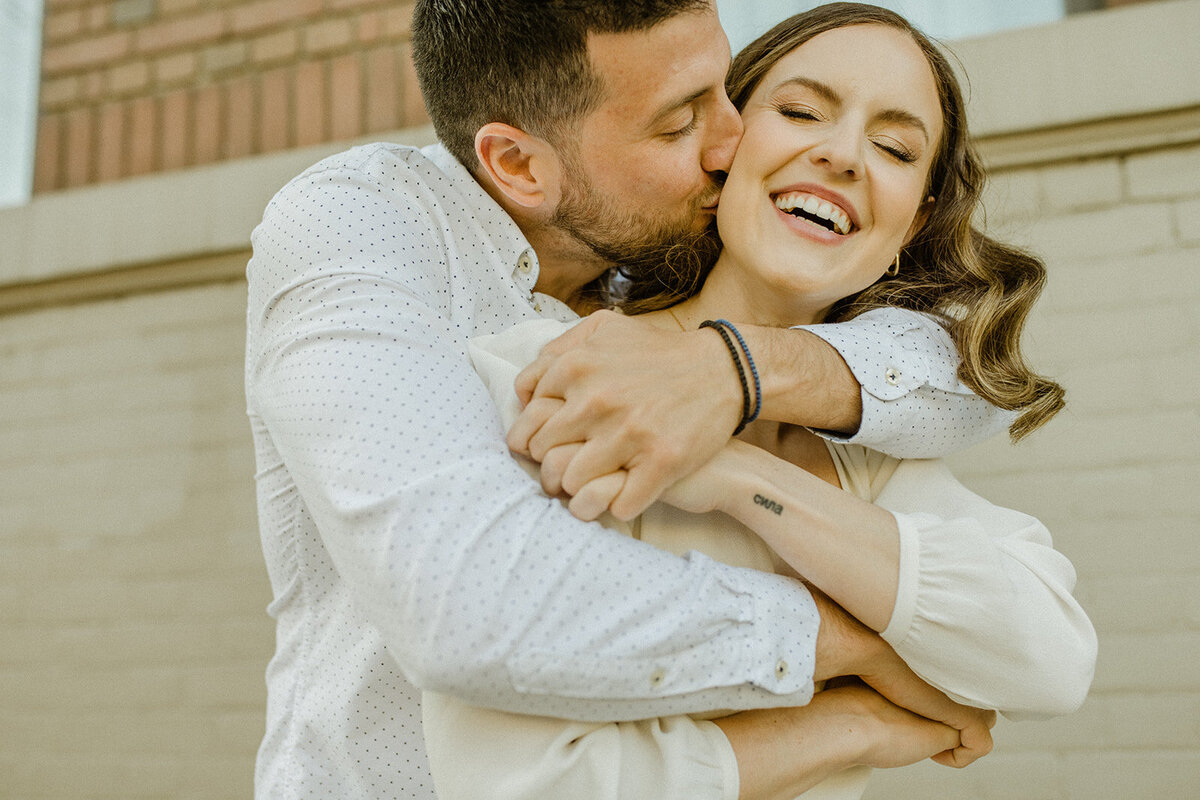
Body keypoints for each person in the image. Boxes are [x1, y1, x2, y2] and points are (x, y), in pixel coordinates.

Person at [243, 1, 1063, 797]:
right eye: (679, 124)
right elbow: (469, 610)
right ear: (521, 166)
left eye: (726, 93)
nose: (730, 142)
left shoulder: (655, 264)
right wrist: (853, 652)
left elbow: (961, 376)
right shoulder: (367, 229)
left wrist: (733, 371)